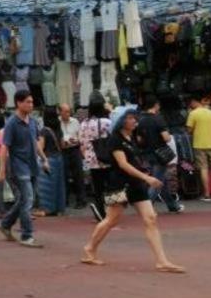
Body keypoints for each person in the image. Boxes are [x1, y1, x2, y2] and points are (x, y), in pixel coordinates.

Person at [81, 109, 185, 273]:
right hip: (117, 184)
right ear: (122, 120)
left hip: (136, 184)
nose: (134, 121)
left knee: (151, 218)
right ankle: (90, 248)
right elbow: (123, 164)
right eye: (130, 118)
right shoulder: (115, 140)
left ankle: (161, 261)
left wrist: (143, 175)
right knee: (111, 220)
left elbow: (135, 161)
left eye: (135, 118)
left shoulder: (134, 138)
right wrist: (147, 178)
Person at [0, 91, 48, 247]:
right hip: (19, 167)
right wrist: (2, 169)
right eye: (27, 102)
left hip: (32, 165)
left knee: (23, 200)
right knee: (28, 200)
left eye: (32, 102)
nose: (30, 105)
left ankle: (5, 224)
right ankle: (27, 235)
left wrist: (44, 159)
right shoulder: (12, 123)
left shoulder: (32, 122)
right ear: (18, 103)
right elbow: (4, 147)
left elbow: (35, 143)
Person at [136, 97, 183, 213]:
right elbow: (166, 138)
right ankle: (146, 205)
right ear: (156, 105)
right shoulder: (158, 119)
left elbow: (139, 140)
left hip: (147, 154)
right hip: (160, 154)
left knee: (162, 181)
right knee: (157, 181)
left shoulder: (140, 120)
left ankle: (173, 205)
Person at [79, 92, 112, 222]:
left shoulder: (84, 124)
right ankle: (111, 212)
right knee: (110, 187)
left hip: (91, 160)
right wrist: (111, 110)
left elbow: (81, 142)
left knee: (97, 188)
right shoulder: (106, 122)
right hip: (106, 158)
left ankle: (100, 212)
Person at [186, 96, 211, 201]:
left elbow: (189, 130)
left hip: (199, 144)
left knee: (204, 169)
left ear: (194, 102)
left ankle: (207, 194)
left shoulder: (193, 114)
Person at [36, 107, 66, 216]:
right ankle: (59, 209)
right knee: (59, 185)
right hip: (59, 158)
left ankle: (46, 209)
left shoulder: (44, 130)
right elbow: (62, 145)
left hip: (48, 159)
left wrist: (43, 159)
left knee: (46, 186)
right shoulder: (59, 129)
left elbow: (40, 147)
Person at [59, 103, 87, 209]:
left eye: (69, 111)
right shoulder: (58, 122)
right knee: (64, 176)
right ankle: (64, 200)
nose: (67, 113)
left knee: (78, 176)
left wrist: (75, 141)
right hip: (63, 151)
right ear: (60, 112)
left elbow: (80, 136)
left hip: (75, 150)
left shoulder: (75, 122)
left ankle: (81, 200)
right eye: (65, 111)